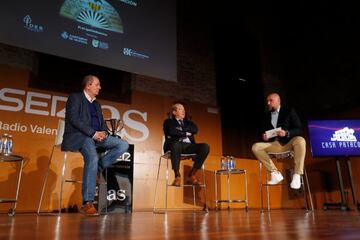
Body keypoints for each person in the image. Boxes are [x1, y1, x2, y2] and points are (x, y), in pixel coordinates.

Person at [61, 75, 129, 215]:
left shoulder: (97, 104)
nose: (100, 87)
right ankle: (87, 202)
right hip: (80, 136)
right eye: (97, 84)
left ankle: (99, 167)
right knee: (92, 157)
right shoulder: (75, 98)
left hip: (97, 136)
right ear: (88, 86)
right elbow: (74, 119)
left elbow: (102, 124)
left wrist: (103, 132)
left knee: (122, 145)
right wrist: (93, 133)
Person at [251, 92, 306, 189]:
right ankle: (275, 173)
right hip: (275, 144)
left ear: (278, 101)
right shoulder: (266, 115)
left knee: (301, 140)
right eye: (267, 101)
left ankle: (297, 175)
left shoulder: (289, 111)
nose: (268, 103)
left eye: (270, 100)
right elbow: (263, 132)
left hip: (289, 143)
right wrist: (264, 137)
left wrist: (286, 133)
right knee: (255, 147)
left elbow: (299, 129)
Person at [163, 103, 210, 186]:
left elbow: (195, 129)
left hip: (188, 146)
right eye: (180, 109)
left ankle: (191, 175)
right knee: (176, 144)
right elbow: (172, 131)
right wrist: (186, 133)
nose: (183, 111)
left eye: (184, 109)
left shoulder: (188, 123)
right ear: (174, 112)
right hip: (175, 145)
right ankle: (177, 176)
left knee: (205, 147)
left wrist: (181, 129)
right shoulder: (168, 122)